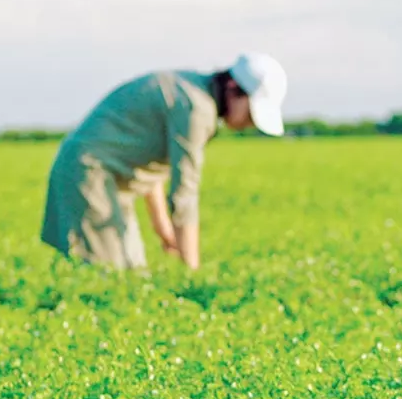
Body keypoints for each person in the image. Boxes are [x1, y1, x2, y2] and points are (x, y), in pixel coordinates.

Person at [39, 53, 287, 270]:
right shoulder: (196, 107)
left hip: (107, 177)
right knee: (108, 272)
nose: (251, 122)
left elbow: (150, 166)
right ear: (233, 88)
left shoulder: (191, 90)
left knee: (134, 270)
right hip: (89, 171)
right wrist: (191, 271)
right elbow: (184, 195)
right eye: (252, 112)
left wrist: (165, 231)